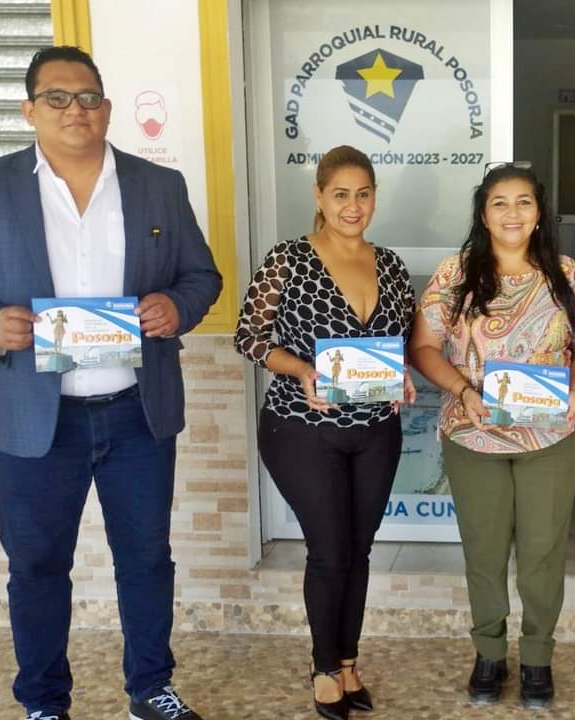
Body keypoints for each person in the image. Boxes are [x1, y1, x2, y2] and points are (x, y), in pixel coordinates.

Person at [0, 46, 222, 720]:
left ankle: (150, 689)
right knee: (36, 565)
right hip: (36, 419)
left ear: (107, 107)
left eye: (89, 97)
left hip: (137, 414)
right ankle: (43, 703)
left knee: (146, 559)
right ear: (29, 109)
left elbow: (201, 276)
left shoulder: (158, 186)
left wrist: (177, 306)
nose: (76, 109)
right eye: (58, 98)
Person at [410, 162, 575, 709]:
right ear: (483, 214)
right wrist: (463, 390)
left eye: (523, 202)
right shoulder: (455, 275)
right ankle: (489, 652)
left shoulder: (565, 274)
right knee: (484, 550)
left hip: (551, 436)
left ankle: (538, 656)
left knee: (543, 550)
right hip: (473, 433)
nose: (512, 213)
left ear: (539, 213)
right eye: (499, 202)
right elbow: (423, 348)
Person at [234, 145, 416, 720]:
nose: (352, 206)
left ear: (374, 197)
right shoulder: (288, 260)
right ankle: (322, 667)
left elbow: (401, 342)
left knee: (358, 550)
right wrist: (302, 370)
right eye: (340, 194)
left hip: (376, 429)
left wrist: (402, 375)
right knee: (331, 549)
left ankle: (349, 662)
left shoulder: (390, 265)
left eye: (363, 194)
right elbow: (248, 338)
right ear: (319, 195)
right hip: (301, 427)